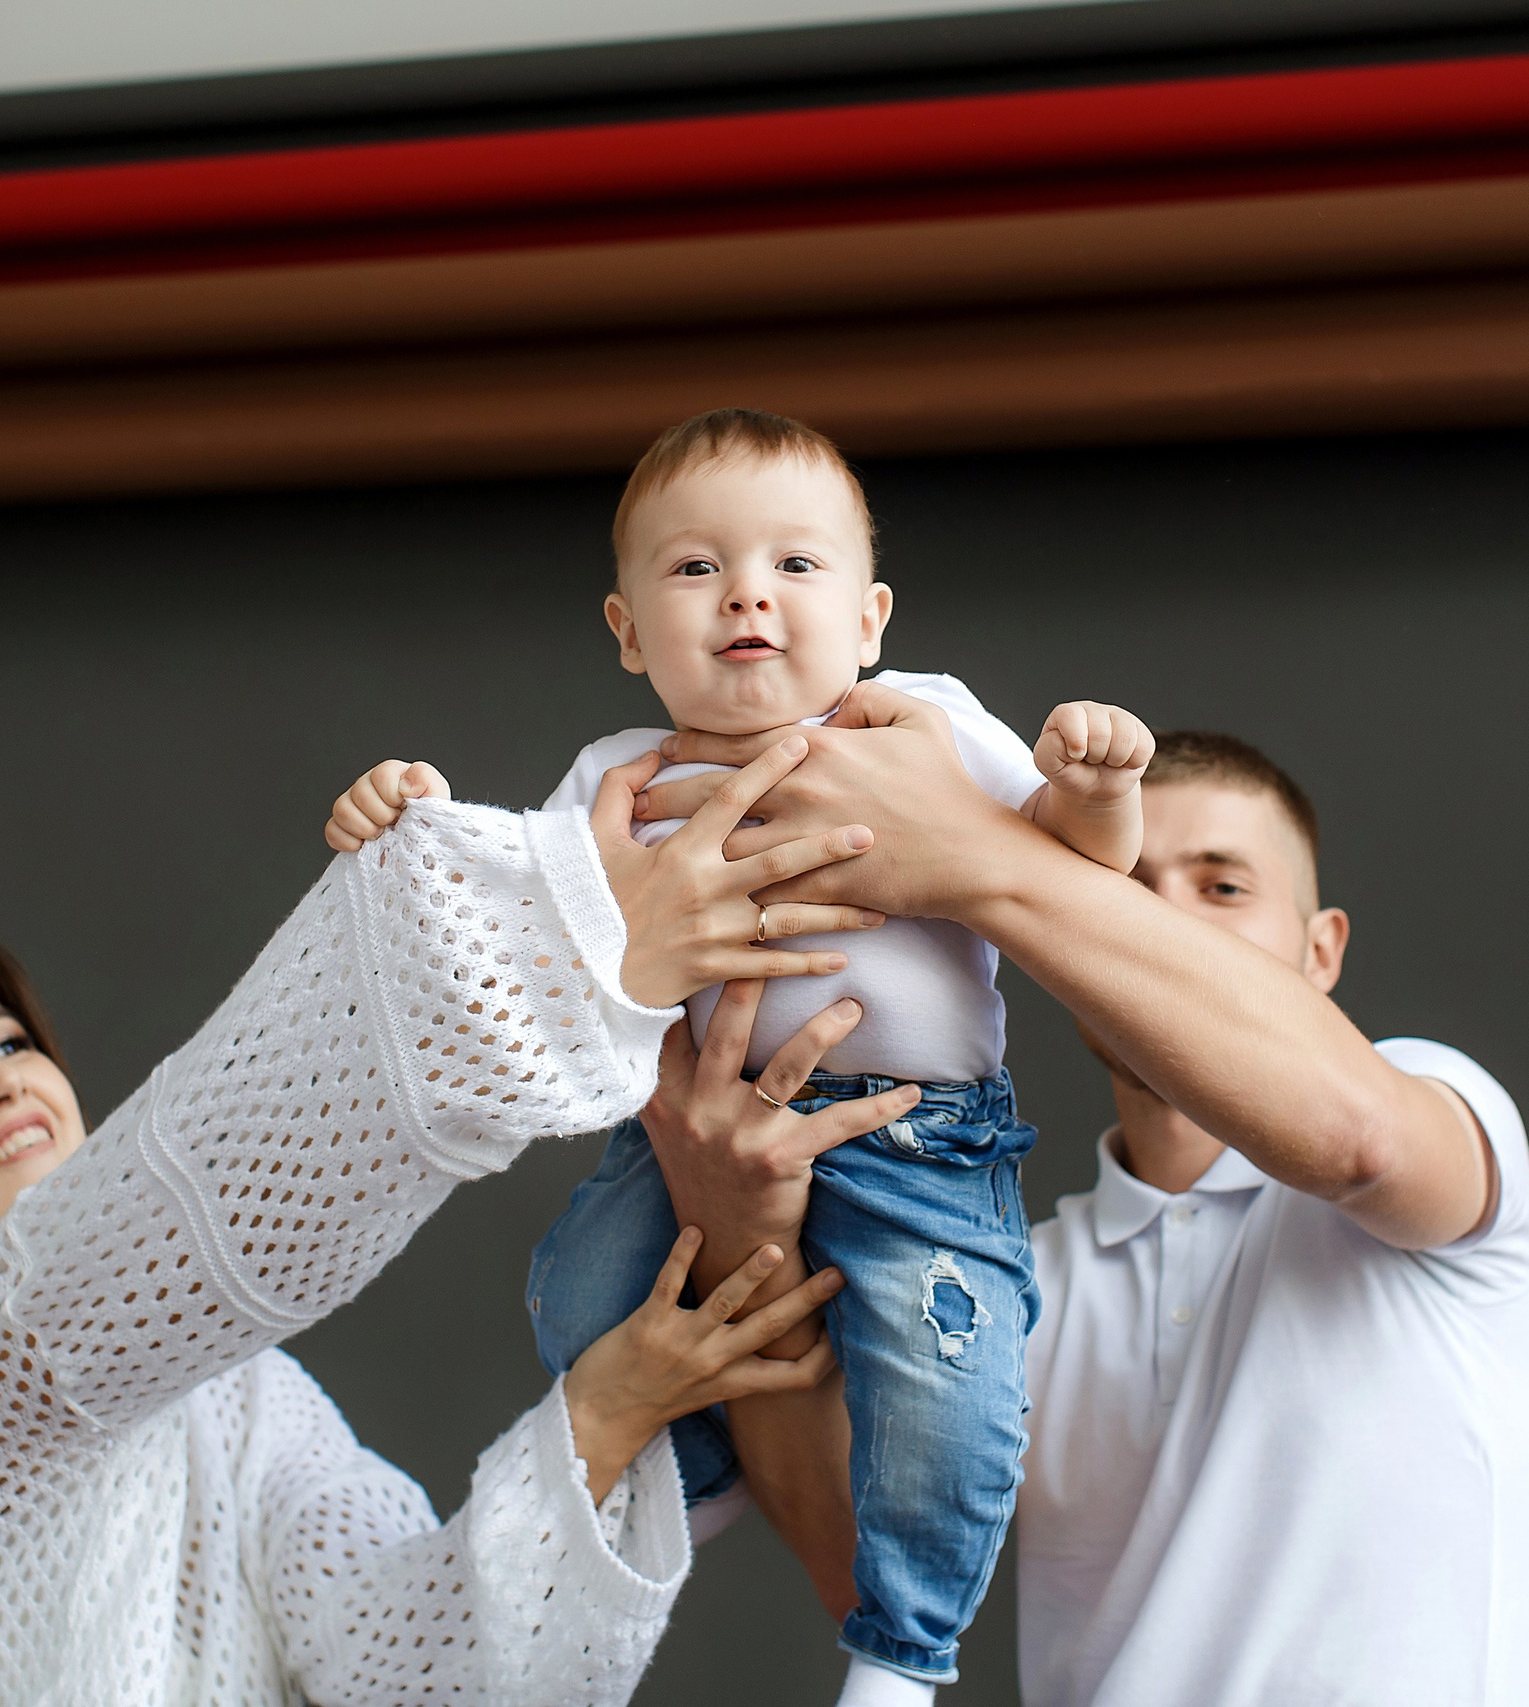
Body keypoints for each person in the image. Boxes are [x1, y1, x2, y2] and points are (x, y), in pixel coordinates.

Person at [0, 743, 903, 1707]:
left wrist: (611, 1408)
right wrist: (568, 947)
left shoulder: (246, 1405)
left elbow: (414, 1675)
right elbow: (190, 1203)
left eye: (7, 1039)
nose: (1, 1077)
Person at [324, 407, 1153, 1700]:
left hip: (917, 1135)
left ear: (872, 618)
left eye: (796, 566)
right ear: (628, 630)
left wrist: (1095, 791)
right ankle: (686, 1477)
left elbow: (1077, 866)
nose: (747, 595)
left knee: (952, 1396)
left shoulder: (918, 724)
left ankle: (902, 1650)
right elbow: (511, 931)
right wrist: (411, 827)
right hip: (682, 1139)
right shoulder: (616, 777)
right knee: (581, 1291)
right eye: (697, 567)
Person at [628, 708, 1529, 1707]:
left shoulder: (1438, 1106)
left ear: (1320, 948)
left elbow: (1357, 1144)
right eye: (1123, 889)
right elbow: (850, 1563)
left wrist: (977, 859)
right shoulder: (1013, 1282)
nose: (1159, 922)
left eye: (1222, 887)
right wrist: (739, 1229)